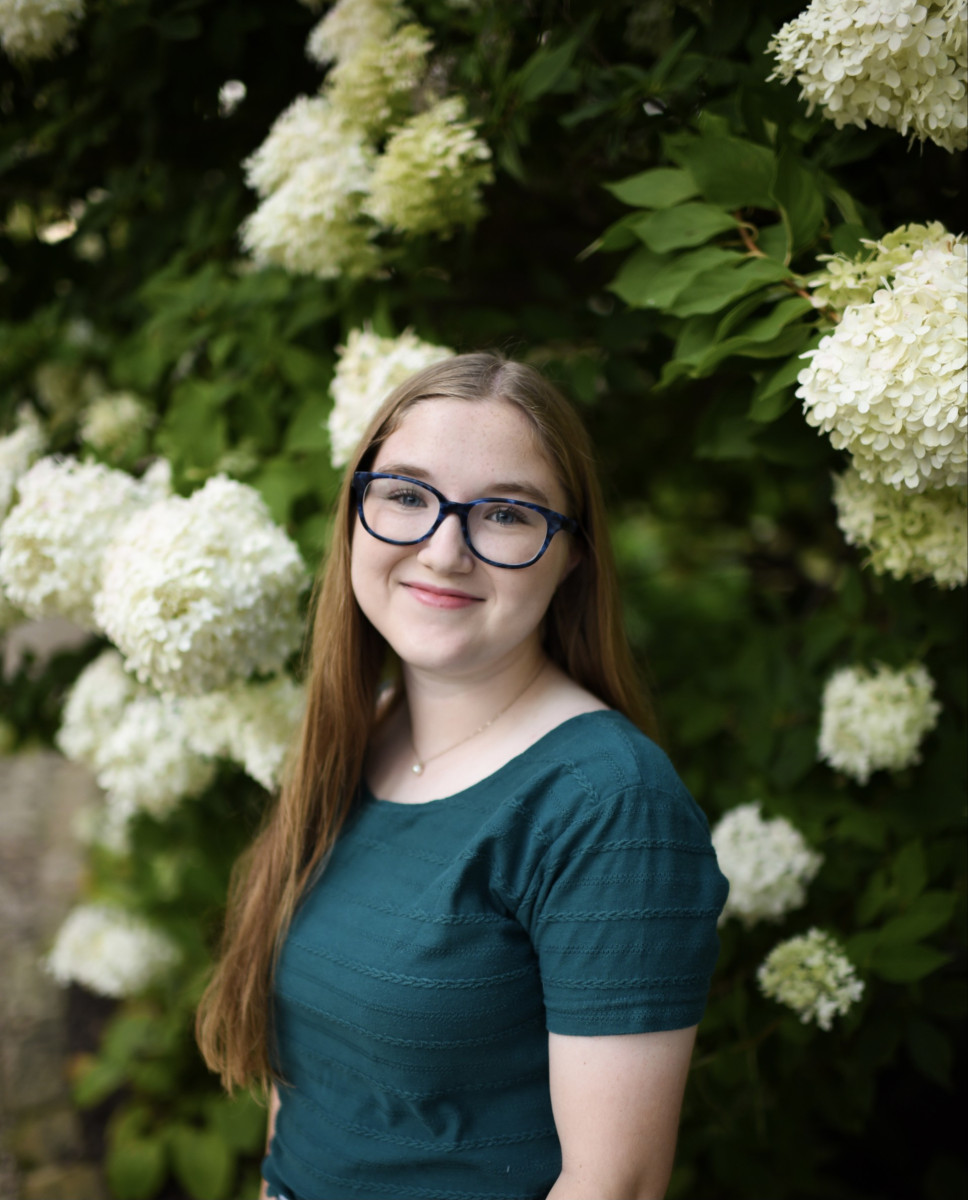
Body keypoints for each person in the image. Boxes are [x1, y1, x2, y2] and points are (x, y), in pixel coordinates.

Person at [196, 352, 728, 1200]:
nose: (444, 551)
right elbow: (306, 1103)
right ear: (356, 513)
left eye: (506, 513)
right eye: (406, 495)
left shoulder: (607, 805)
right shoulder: (360, 732)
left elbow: (613, 1186)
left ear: (573, 556)